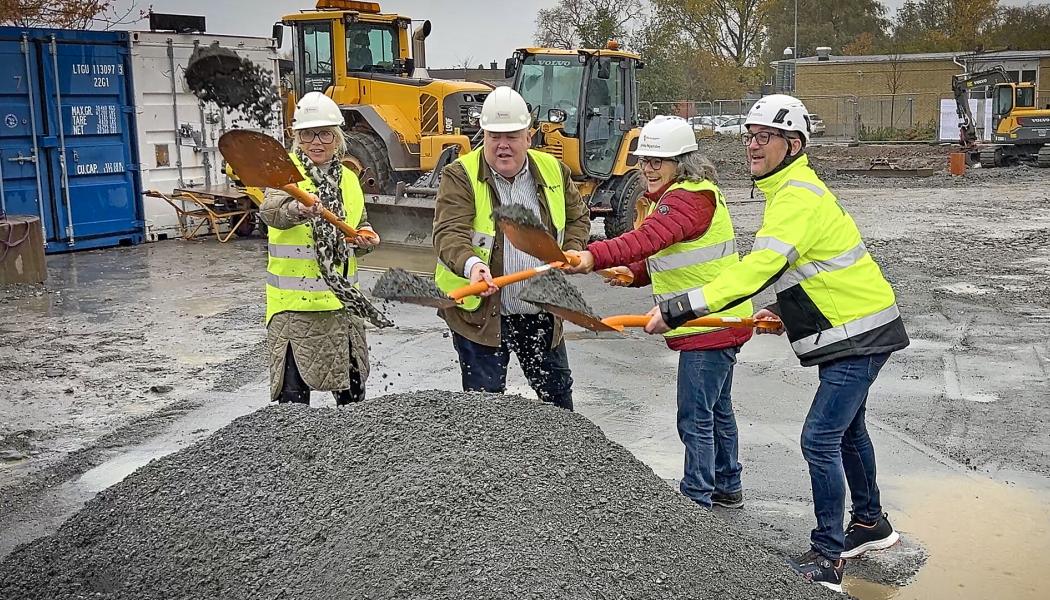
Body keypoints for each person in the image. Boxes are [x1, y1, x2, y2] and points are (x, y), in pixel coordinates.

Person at [644, 95, 910, 592]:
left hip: (859, 333)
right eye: (749, 136)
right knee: (848, 432)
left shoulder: (796, 197)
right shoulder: (788, 191)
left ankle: (827, 556)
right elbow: (820, 268)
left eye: (764, 137)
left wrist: (681, 307)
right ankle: (871, 524)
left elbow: (758, 268)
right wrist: (788, 312)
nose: (752, 145)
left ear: (794, 144)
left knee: (819, 439)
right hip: (859, 325)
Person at [563, 115, 753, 509]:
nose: (647, 168)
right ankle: (726, 483)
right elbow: (669, 254)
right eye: (644, 159)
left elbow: (648, 239)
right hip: (716, 319)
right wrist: (632, 274)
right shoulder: (682, 196)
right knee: (717, 410)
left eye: (656, 161)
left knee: (695, 415)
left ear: (680, 163)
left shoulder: (687, 198)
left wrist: (592, 256)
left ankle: (696, 498)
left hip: (707, 323)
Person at [433, 86, 590, 411]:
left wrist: (572, 250)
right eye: (494, 136)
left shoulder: (553, 171)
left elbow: (578, 218)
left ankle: (562, 460)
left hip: (541, 310)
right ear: (484, 136)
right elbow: (449, 233)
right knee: (487, 411)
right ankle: (485, 463)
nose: (503, 145)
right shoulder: (460, 175)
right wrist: (473, 266)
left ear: (528, 137)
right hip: (482, 315)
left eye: (512, 136)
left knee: (559, 404)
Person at [259, 92, 389, 406]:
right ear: (296, 138)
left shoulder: (349, 178)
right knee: (293, 409)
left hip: (342, 307)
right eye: (307, 134)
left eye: (325, 133)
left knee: (352, 403)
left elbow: (360, 222)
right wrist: (298, 211)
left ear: (338, 137)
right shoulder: (283, 176)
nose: (317, 142)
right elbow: (270, 212)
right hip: (294, 310)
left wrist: (365, 237)